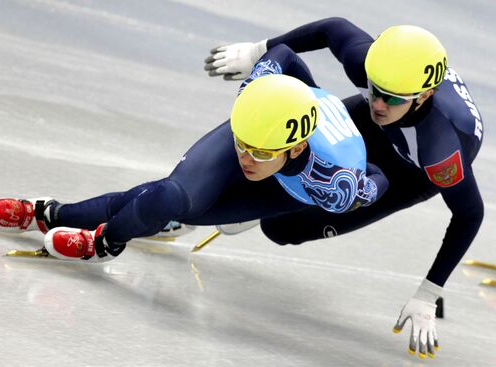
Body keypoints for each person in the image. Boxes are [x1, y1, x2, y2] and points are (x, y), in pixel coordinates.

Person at [204, 17, 484, 360]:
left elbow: (470, 214)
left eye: (391, 98)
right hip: (370, 125)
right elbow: (331, 28)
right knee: (274, 141)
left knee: (281, 229)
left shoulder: (441, 150)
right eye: (375, 89)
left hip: (411, 173)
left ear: (424, 95)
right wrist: (257, 51)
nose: (379, 103)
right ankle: (190, 210)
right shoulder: (373, 75)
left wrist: (429, 292)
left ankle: (267, 204)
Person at [0, 48, 388, 264]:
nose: (246, 158)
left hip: (288, 191)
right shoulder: (258, 101)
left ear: (295, 148)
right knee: (170, 197)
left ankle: (104, 242)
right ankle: (52, 213)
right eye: (243, 147)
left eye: (258, 153)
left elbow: (378, 176)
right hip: (265, 118)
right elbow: (284, 54)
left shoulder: (335, 184)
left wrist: (367, 188)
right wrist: (262, 71)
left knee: (187, 212)